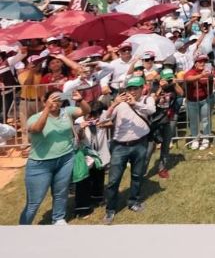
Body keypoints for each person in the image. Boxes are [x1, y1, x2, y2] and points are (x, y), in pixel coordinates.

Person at [19, 89, 90, 225]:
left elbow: (85, 111)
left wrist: (80, 100)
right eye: (52, 99)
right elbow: (37, 129)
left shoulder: (67, 112)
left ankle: (58, 218)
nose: (55, 103)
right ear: (44, 101)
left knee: (61, 193)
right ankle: (24, 227)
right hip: (40, 164)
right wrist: (47, 109)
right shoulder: (34, 118)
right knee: (34, 201)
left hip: (65, 159)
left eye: (58, 99)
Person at [102, 74, 155, 224]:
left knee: (137, 175)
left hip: (140, 144)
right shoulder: (119, 104)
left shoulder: (147, 99)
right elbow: (103, 120)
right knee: (113, 180)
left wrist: (135, 104)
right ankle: (110, 210)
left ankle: (133, 202)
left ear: (142, 88)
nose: (132, 92)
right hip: (120, 146)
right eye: (130, 89)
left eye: (135, 88)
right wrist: (113, 104)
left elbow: (151, 110)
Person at [182, 54, 213, 150]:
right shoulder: (191, 71)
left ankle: (206, 138)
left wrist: (210, 75)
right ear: (195, 63)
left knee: (205, 120)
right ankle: (195, 139)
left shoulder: (208, 71)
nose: (202, 63)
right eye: (200, 61)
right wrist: (201, 75)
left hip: (205, 99)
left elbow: (214, 79)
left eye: (204, 61)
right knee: (194, 121)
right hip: (192, 101)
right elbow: (187, 78)